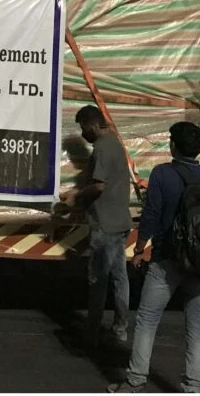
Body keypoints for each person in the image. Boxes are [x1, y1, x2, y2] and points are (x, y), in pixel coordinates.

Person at [108, 121, 200, 394]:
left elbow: (151, 215)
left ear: (173, 146)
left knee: (147, 320)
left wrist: (139, 248)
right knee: (197, 325)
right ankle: (193, 387)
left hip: (168, 259)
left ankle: (135, 381)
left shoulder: (162, 174)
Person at [66, 105, 133, 347]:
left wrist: (76, 195)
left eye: (83, 128)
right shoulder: (114, 143)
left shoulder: (103, 148)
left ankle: (92, 329)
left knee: (98, 278)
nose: (83, 133)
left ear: (93, 125)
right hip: (120, 221)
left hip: (105, 223)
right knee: (119, 277)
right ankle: (120, 328)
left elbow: (99, 186)